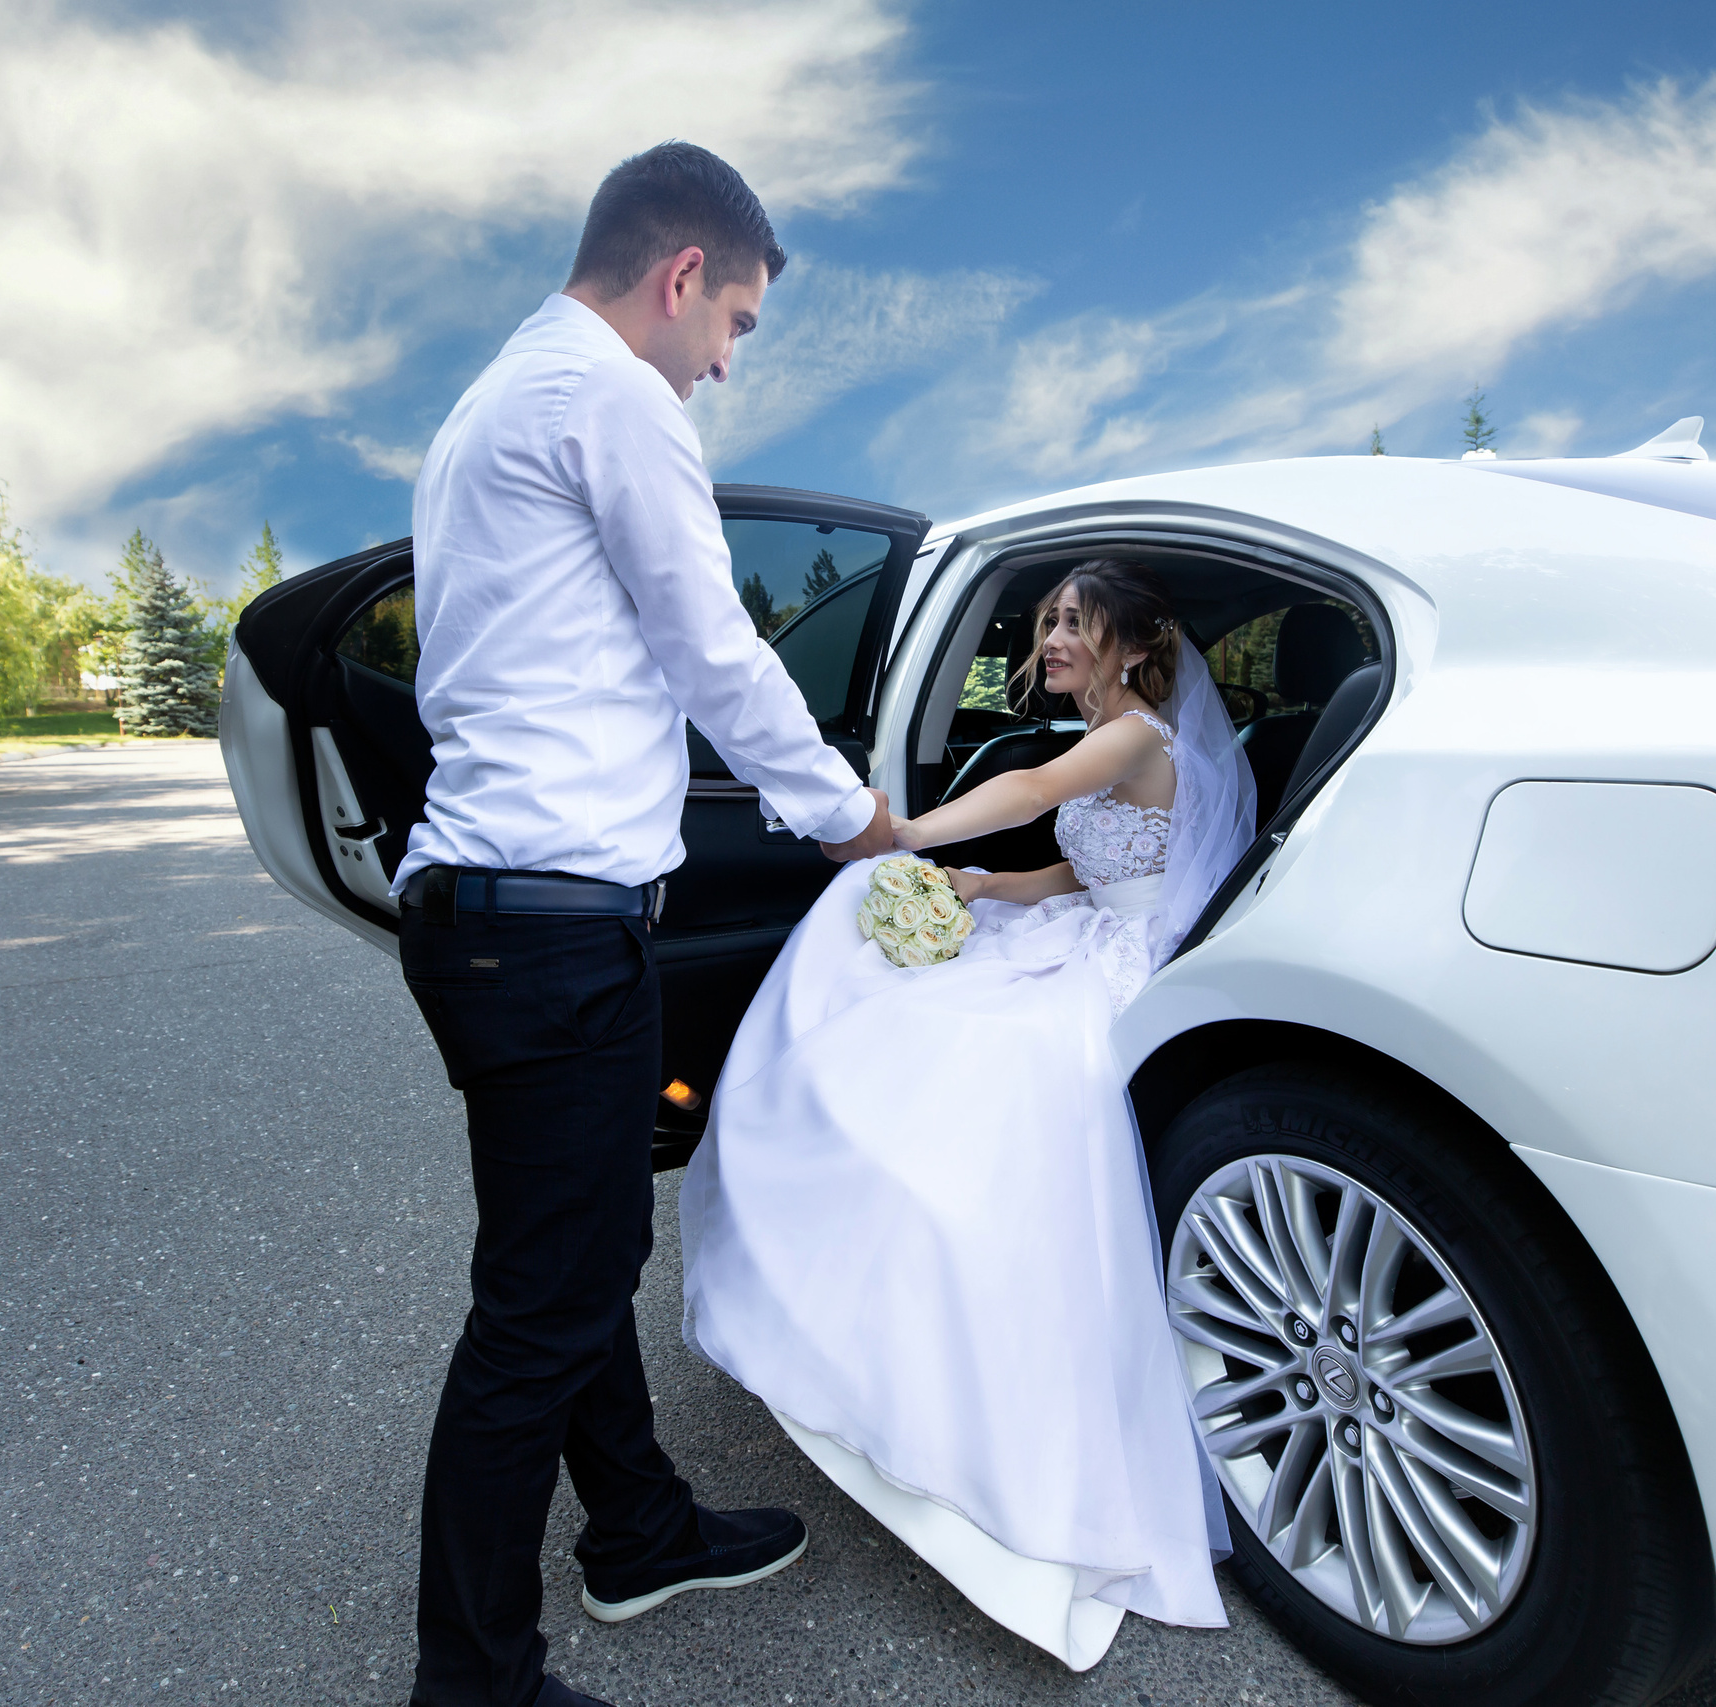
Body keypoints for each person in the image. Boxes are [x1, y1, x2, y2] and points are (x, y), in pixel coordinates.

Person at [391, 142, 897, 1707]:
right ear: (681, 277)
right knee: (540, 1305)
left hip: (483, 910)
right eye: (735, 321)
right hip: (550, 922)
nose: (727, 360)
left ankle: (637, 1524)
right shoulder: (618, 400)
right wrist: (856, 821)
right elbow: (722, 659)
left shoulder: (487, 405)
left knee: (573, 1245)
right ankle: (472, 1678)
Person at [680, 558, 1257, 1670]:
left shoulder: (1134, 732)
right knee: (895, 1002)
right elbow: (1081, 865)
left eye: (1074, 624)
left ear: (1135, 647)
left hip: (1124, 966)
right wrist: (991, 889)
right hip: (1088, 926)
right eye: (1046, 622)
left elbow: (1033, 798)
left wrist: (902, 835)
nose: (1050, 640)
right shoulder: (1110, 741)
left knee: (956, 1059)